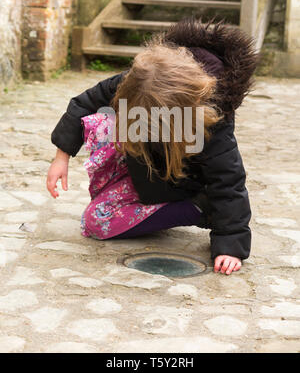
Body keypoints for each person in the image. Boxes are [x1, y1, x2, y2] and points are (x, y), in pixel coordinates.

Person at [47, 18, 258, 275]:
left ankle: (200, 209)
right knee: (104, 122)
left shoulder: (212, 117)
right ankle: (123, 183)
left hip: (177, 180)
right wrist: (62, 156)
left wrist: (230, 244)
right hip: (143, 165)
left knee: (97, 222)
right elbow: (85, 103)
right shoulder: (144, 81)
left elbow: (228, 180)